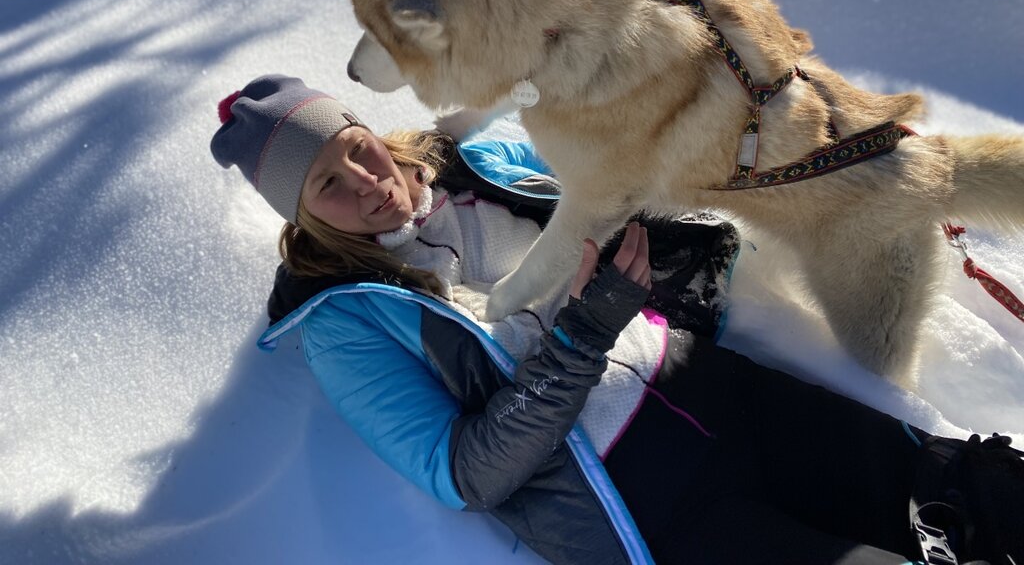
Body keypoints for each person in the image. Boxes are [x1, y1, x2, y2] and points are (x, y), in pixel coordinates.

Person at [211, 74, 1024, 565]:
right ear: (305, 217)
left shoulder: (473, 160)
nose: (364, 179)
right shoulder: (342, 321)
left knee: (953, 485)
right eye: (326, 184)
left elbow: (618, 181)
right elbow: (463, 475)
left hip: (710, 384)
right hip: (641, 493)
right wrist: (581, 337)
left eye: (353, 145)